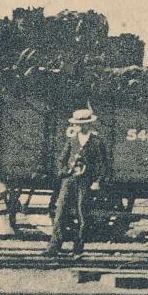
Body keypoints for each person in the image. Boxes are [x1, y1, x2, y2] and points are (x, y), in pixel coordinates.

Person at [45, 108, 111, 257]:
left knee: (83, 215)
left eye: (84, 124)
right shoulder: (72, 140)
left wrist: (97, 181)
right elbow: (62, 159)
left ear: (89, 124)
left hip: (85, 182)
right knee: (60, 212)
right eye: (78, 124)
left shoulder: (96, 142)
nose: (81, 127)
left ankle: (78, 249)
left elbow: (102, 164)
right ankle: (54, 247)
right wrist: (65, 172)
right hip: (69, 181)